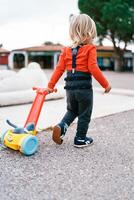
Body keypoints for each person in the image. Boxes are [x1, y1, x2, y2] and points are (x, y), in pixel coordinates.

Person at [46, 14, 111, 148]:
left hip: (70, 89)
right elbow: (93, 68)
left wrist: (50, 86)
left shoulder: (65, 50)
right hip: (84, 89)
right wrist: (106, 84)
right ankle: (80, 138)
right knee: (84, 113)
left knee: (72, 110)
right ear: (89, 33)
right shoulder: (90, 48)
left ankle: (61, 126)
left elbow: (59, 69)